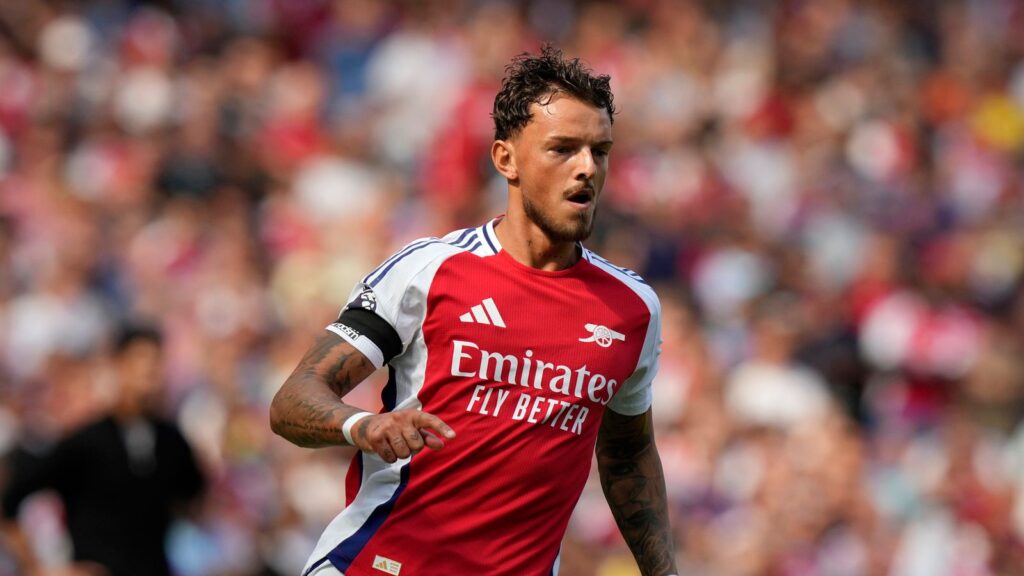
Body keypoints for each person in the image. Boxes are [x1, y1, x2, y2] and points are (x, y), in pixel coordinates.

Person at [270, 46, 677, 576]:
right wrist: (364, 426)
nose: (586, 169)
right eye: (563, 149)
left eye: (599, 152)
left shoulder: (632, 310)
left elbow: (628, 456)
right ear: (505, 158)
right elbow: (291, 402)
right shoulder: (431, 270)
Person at [1, 324, 205, 576]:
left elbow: (193, 499)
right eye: (140, 360)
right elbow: (11, 498)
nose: (149, 371)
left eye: (155, 361)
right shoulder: (86, 442)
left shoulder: (171, 441)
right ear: (118, 365)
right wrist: (36, 567)